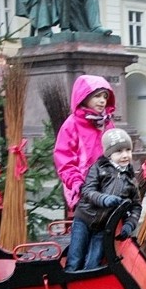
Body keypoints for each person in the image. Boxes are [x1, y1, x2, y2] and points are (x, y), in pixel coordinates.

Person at [66, 129, 141, 271]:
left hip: (104, 227)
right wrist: (104, 199)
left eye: (128, 150)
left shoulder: (131, 179)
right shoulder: (98, 168)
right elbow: (87, 191)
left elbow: (136, 206)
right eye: (119, 152)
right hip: (84, 219)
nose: (125, 155)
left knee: (93, 263)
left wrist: (130, 224)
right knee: (75, 259)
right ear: (109, 154)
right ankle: (69, 286)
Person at [54, 75, 116, 213]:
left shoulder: (107, 123)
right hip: (84, 190)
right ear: (84, 96)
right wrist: (77, 183)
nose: (102, 101)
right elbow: (64, 160)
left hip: (108, 186)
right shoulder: (72, 124)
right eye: (97, 96)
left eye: (105, 97)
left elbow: (116, 151)